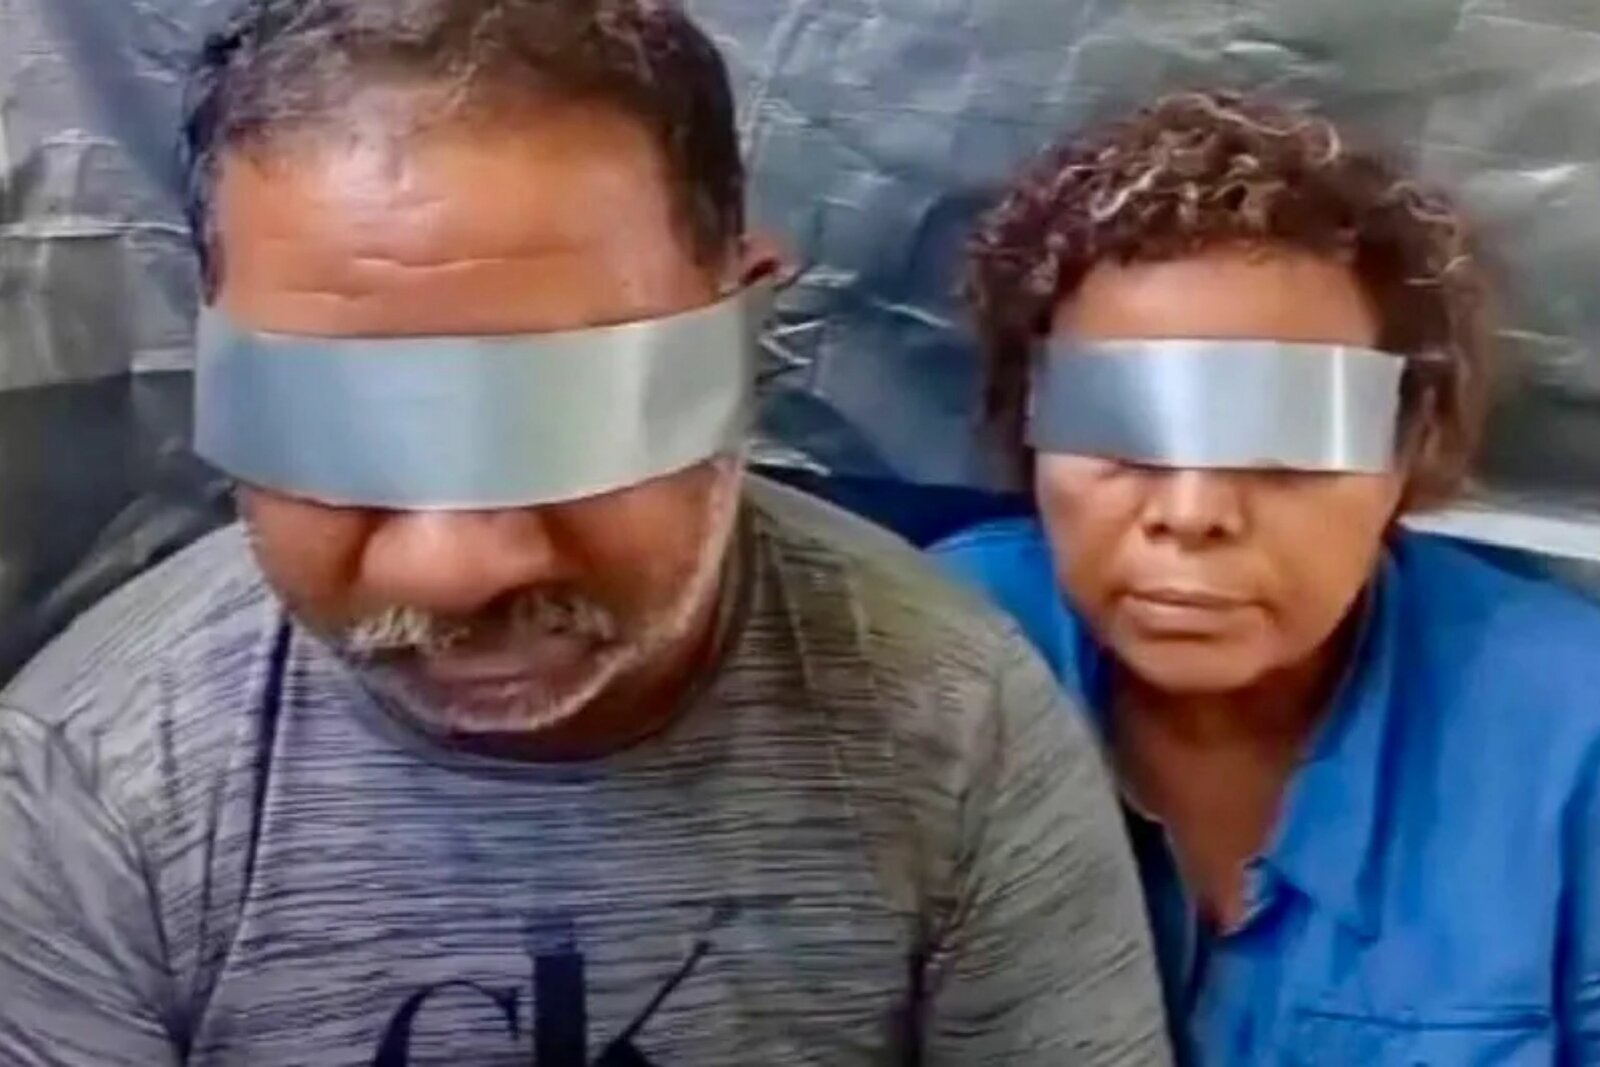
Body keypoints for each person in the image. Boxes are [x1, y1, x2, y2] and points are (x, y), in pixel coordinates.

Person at [0, 1, 1171, 1063]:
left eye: (567, 416)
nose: (454, 567)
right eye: (336, 422)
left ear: (746, 333)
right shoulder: (81, 787)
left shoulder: (958, 724)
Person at [934, 90, 1600, 1063]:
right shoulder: (922, 663)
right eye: (1122, 430)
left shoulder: (1568, 733)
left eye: (1285, 446)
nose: (1192, 510)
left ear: (1406, 445)